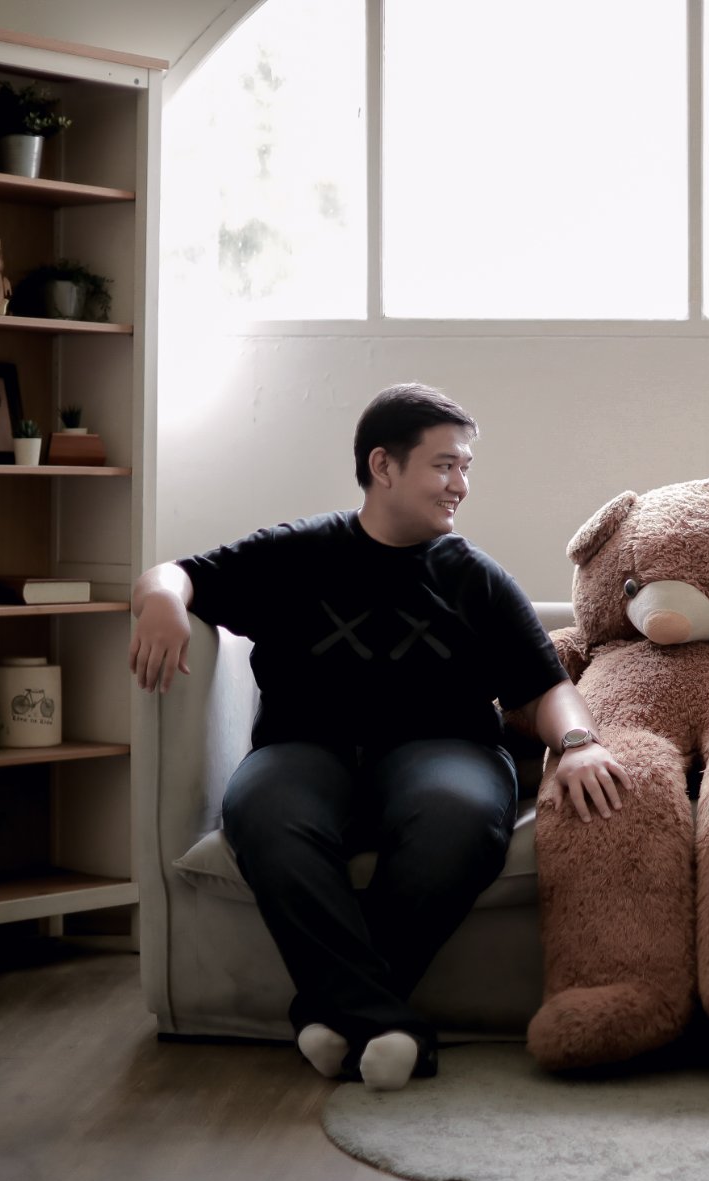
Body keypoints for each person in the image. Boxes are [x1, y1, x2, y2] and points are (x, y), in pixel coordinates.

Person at [129, 382, 628, 1091]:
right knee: (264, 813)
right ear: (383, 466)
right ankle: (385, 1024)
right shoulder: (299, 551)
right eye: (444, 465)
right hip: (305, 747)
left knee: (458, 817)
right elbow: (175, 574)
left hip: (446, 749)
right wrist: (160, 600)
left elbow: (546, 685)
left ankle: (334, 1011)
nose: (460, 485)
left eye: (465, 468)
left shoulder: (473, 576)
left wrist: (580, 743)